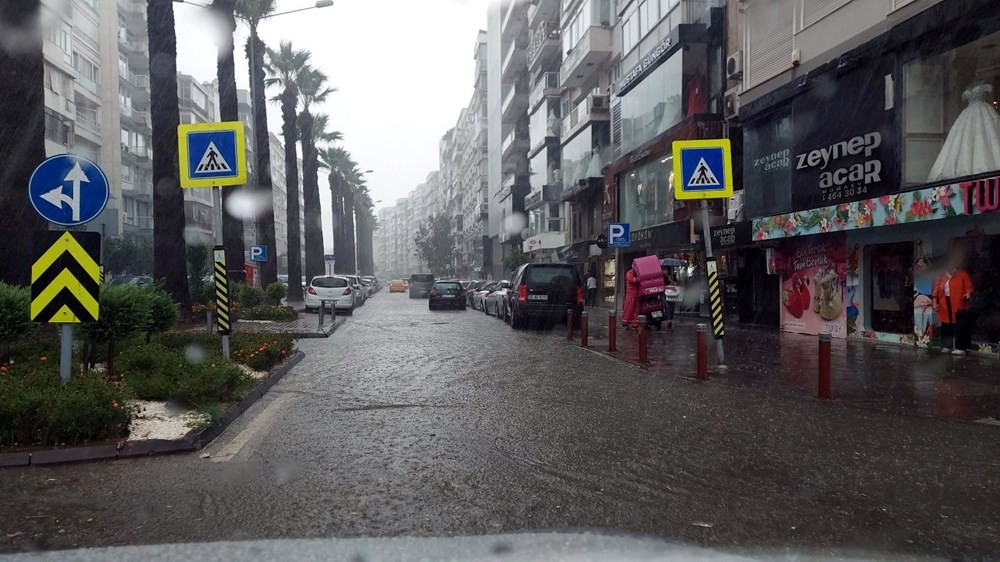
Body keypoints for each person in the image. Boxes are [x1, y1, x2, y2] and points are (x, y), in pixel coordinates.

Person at [932, 260, 974, 354]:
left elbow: (969, 287)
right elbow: (936, 289)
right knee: (946, 324)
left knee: (959, 325)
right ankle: (947, 346)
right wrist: (934, 301)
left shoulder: (962, 274)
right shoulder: (942, 275)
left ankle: (961, 347)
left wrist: (968, 293)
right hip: (944, 302)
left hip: (958, 302)